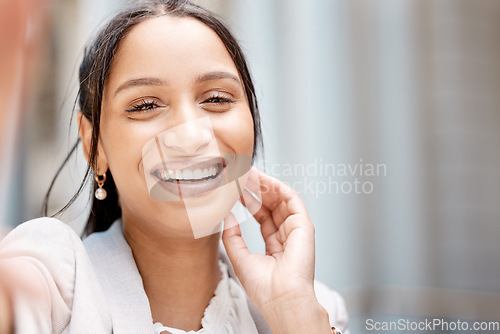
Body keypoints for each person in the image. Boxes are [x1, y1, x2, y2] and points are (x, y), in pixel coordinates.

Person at [0, 1, 349, 333]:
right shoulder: (55, 277)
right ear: (95, 145)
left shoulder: (318, 307)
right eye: (145, 105)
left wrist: (293, 312)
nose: (191, 137)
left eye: (216, 99)